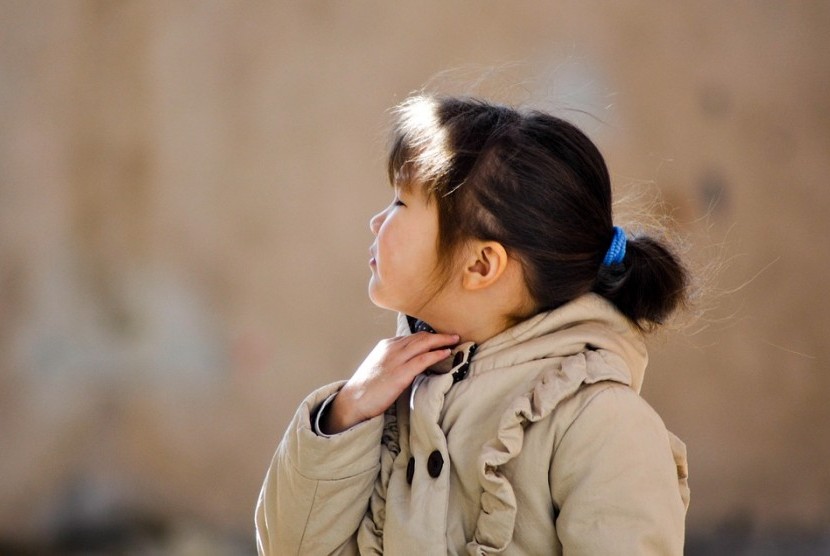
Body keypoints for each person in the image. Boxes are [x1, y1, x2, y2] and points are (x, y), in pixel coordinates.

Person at [255, 94, 690, 555]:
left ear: (482, 264)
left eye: (401, 203)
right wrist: (344, 415)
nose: (376, 220)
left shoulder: (603, 425)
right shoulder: (387, 399)